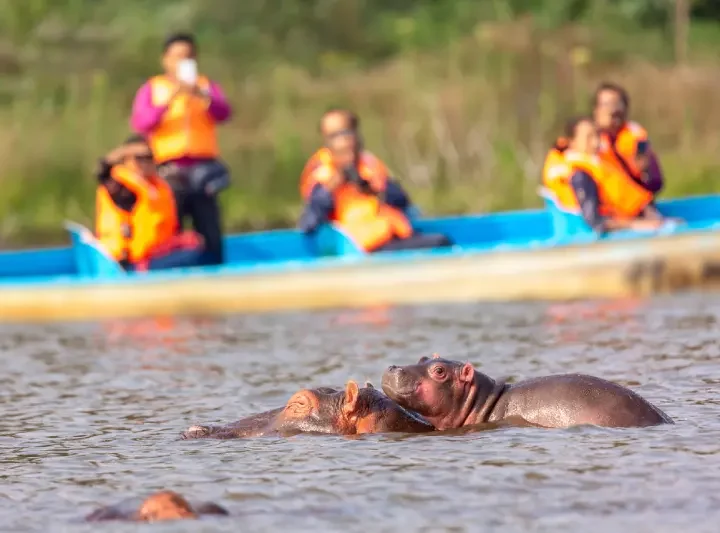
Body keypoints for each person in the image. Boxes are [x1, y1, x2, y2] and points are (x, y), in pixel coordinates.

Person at [129, 32, 232, 266]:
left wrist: (202, 95)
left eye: (188, 58)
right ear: (165, 60)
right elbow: (141, 123)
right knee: (169, 229)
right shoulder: (153, 89)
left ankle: (214, 269)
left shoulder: (206, 86)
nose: (182, 63)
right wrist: (170, 99)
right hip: (168, 170)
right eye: (177, 57)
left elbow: (224, 113)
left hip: (202, 169)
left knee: (209, 228)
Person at [298, 129, 452, 253]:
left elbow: (403, 202)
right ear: (332, 155)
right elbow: (308, 224)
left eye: (354, 152)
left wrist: (375, 190)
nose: (350, 158)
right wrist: (328, 191)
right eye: (344, 153)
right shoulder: (324, 183)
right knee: (440, 243)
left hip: (393, 238)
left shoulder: (369, 174)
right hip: (363, 249)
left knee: (441, 240)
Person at [542, 116, 669, 234]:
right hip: (592, 237)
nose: (596, 143)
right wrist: (637, 225)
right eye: (589, 137)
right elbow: (596, 222)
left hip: (631, 222)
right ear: (572, 142)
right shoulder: (580, 175)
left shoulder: (600, 163)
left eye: (597, 135)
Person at [95, 135, 205, 271]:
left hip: (156, 255)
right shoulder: (123, 189)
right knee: (190, 256)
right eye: (139, 158)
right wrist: (122, 152)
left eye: (149, 157)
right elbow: (102, 174)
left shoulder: (159, 187)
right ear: (126, 160)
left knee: (194, 245)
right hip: (131, 263)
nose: (145, 163)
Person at [299, 109, 419, 218]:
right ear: (326, 142)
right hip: (345, 237)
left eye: (347, 133)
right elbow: (309, 221)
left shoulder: (370, 166)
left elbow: (402, 201)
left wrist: (373, 190)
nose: (344, 141)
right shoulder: (320, 172)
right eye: (334, 136)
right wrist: (330, 188)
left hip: (383, 235)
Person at [592, 82, 664, 195]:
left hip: (634, 205)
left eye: (617, 104)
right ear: (596, 110)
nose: (613, 110)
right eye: (606, 104)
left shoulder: (636, 138)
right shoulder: (586, 138)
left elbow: (656, 183)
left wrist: (645, 171)